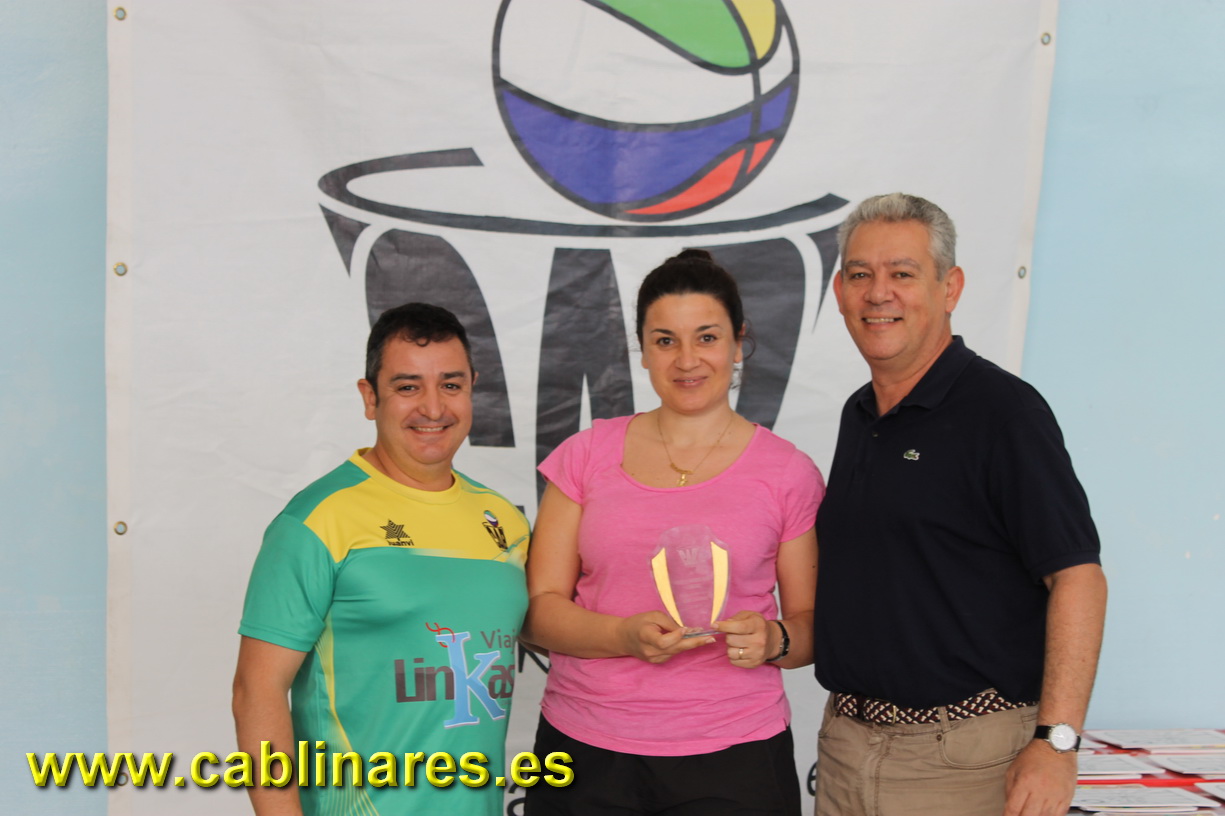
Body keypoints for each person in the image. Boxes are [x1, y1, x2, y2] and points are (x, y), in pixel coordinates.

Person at [813, 193, 1108, 816]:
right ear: (839, 291)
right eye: (860, 275)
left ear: (950, 288)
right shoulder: (859, 414)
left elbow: (1078, 577)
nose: (878, 293)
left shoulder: (1005, 413)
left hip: (966, 764)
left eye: (902, 273)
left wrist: (1057, 742)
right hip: (846, 751)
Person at [522, 249, 824, 816]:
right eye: (665, 340)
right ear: (642, 349)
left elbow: (810, 626)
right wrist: (623, 636)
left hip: (735, 753)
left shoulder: (788, 472)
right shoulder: (585, 455)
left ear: (738, 343)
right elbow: (539, 612)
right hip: (584, 747)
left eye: (706, 337)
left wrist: (773, 639)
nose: (687, 360)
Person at [232, 302, 529, 816]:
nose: (433, 408)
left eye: (451, 385)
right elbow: (255, 691)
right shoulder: (316, 520)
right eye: (408, 387)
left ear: (472, 389)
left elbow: (553, 627)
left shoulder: (505, 521)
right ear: (370, 398)